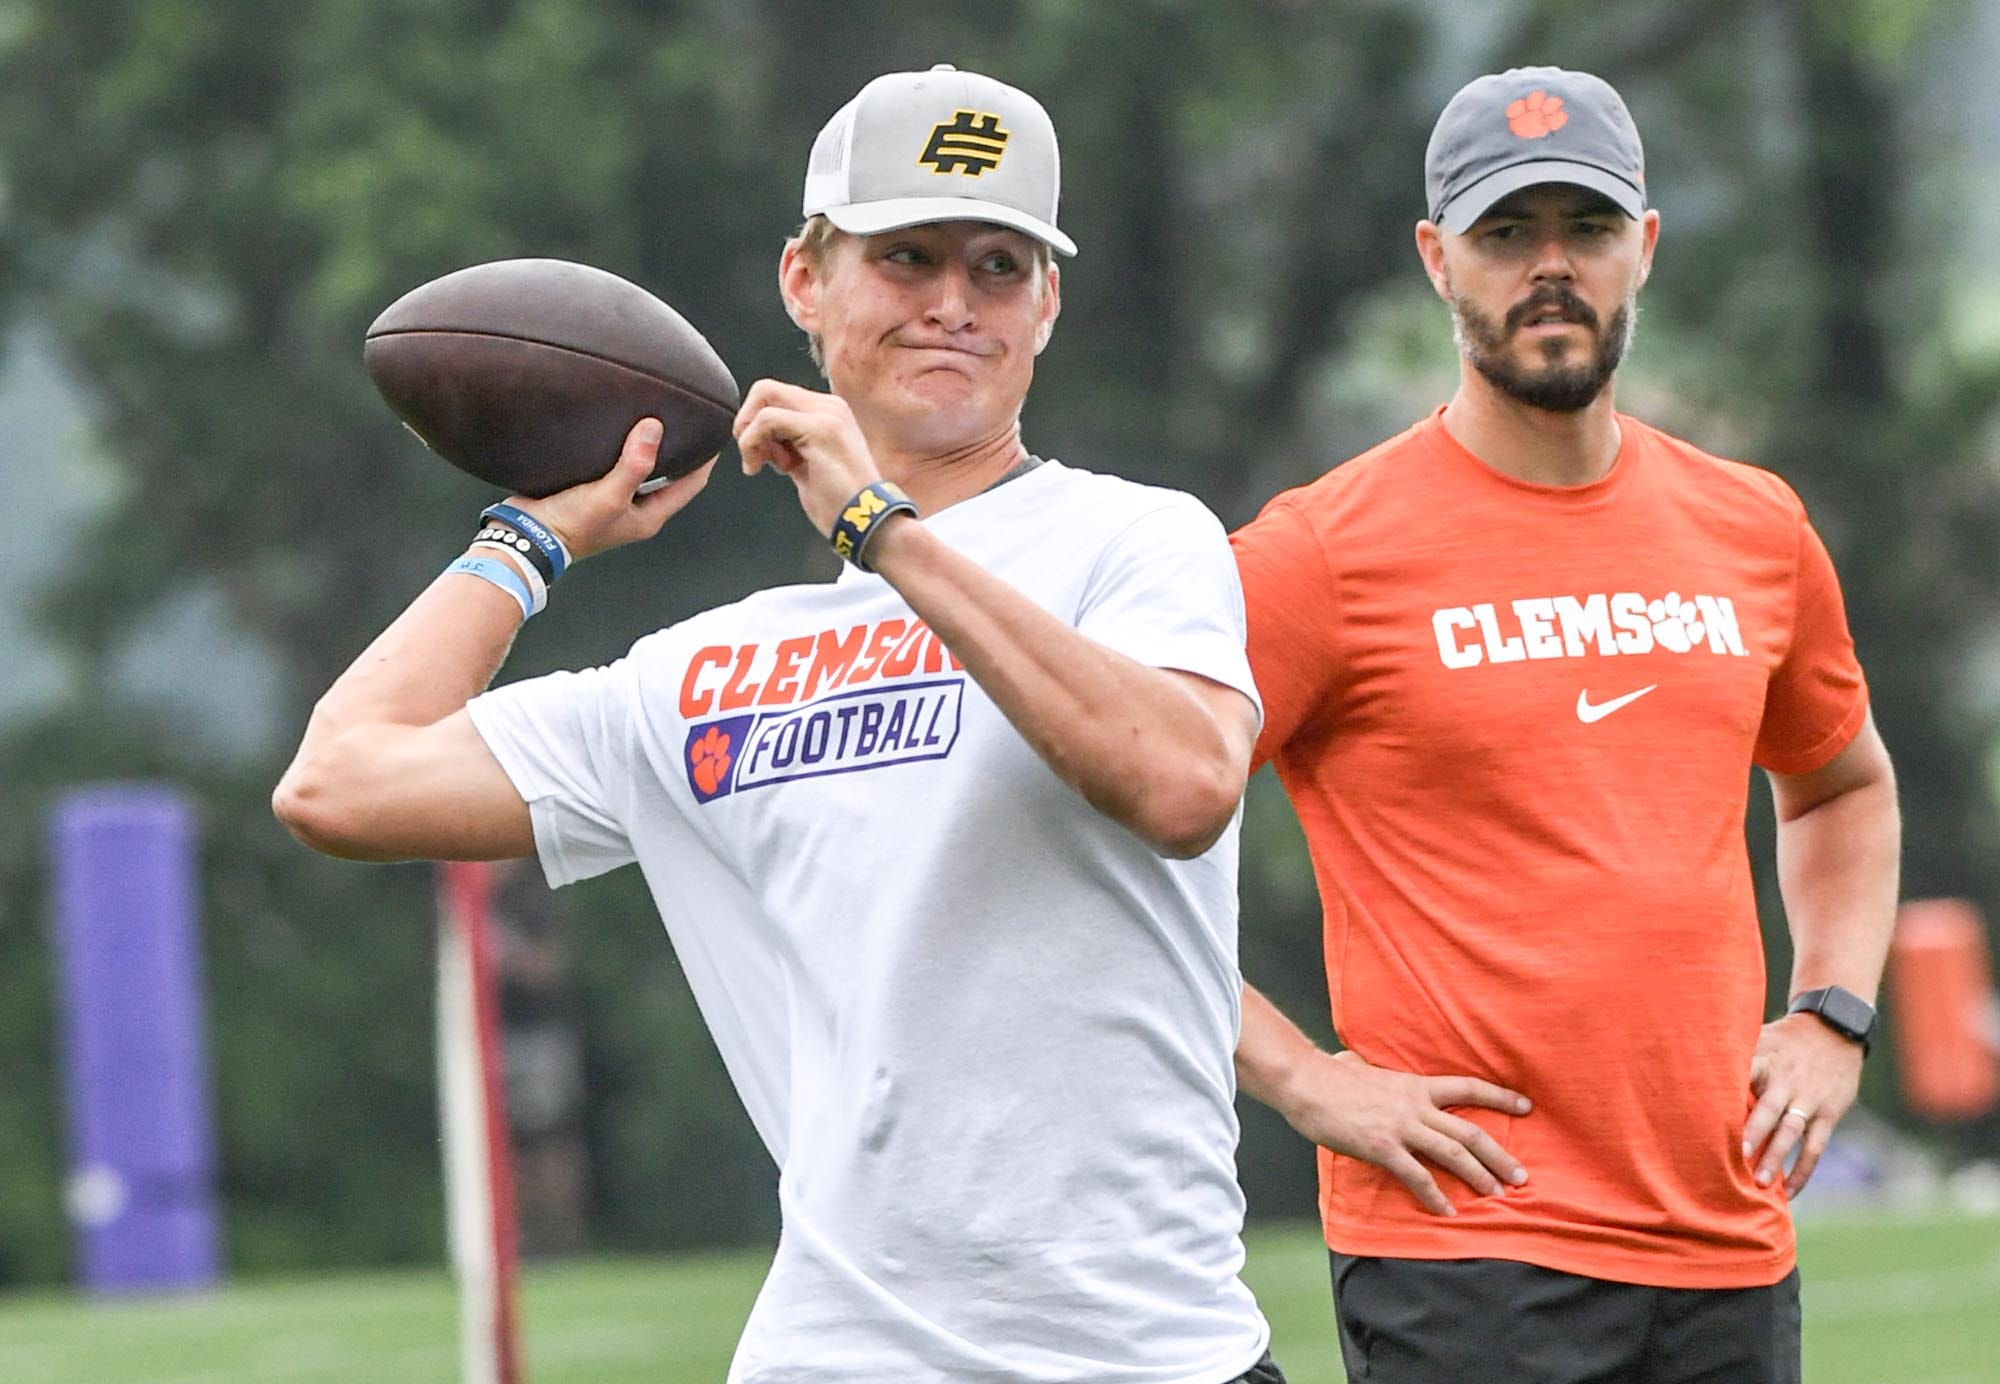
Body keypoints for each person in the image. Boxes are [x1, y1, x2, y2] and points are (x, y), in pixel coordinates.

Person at [275, 64, 1285, 1384]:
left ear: (1046, 302)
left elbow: (1185, 784)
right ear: (806, 282)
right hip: (836, 1354)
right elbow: (338, 783)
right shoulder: (713, 669)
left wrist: (883, 532)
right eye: (906, 256)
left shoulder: (1136, 543)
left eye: (997, 266)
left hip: (1145, 1357)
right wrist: (534, 537)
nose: (952, 305)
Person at [1230, 66, 1900, 1383]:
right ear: (1438, 259)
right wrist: (1305, 1079)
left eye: (1585, 230)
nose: (1550, 268)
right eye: (1504, 235)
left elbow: (1842, 789)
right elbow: (1101, 847)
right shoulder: (1319, 554)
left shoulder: (1754, 527)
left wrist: (1833, 1011)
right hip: (1466, 1248)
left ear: (1643, 245)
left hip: (1727, 1240)